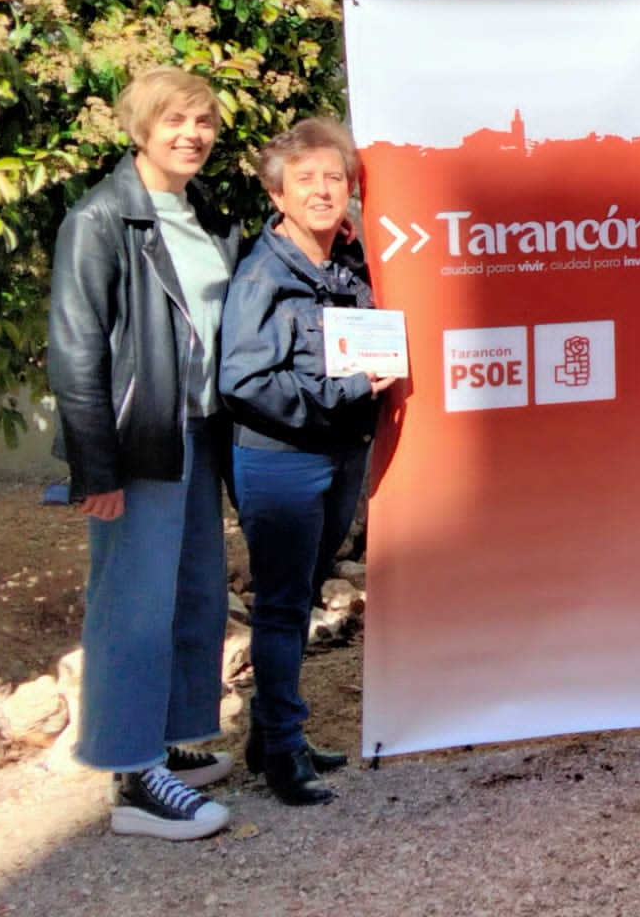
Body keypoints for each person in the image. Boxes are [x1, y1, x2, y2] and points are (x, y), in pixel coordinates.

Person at [46, 68, 243, 838]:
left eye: (203, 122)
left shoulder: (202, 215)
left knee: (193, 591)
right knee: (131, 603)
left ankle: (165, 741)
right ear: (140, 128)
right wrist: (95, 467)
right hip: (139, 439)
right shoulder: (101, 219)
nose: (191, 135)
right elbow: (76, 349)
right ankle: (130, 773)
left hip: (198, 430)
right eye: (174, 121)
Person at [218, 118, 398, 805]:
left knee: (299, 603)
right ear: (277, 195)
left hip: (339, 453)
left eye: (335, 178)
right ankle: (286, 751)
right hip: (283, 461)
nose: (323, 191)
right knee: (283, 606)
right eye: (306, 180)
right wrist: (346, 389)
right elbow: (244, 381)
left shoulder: (346, 262)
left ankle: (269, 737)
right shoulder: (264, 273)